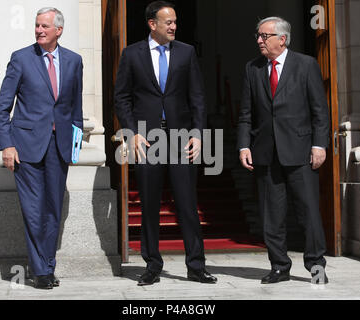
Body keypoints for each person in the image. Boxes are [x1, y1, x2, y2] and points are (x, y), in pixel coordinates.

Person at [114, 1, 216, 286]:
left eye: (174, 22)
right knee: (149, 204)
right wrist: (131, 132)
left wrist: (198, 133)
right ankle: (152, 266)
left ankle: (196, 266)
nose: (173, 26)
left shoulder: (186, 53)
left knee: (186, 203)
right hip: (147, 139)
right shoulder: (131, 54)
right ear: (152, 24)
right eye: (167, 22)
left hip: (182, 138)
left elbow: (197, 97)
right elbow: (121, 98)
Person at [0, 7, 83, 289]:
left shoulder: (74, 61)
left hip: (60, 147)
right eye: (36, 26)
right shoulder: (21, 58)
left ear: (59, 30)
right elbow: (3, 106)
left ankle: (46, 266)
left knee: (53, 210)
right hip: (26, 148)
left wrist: (76, 142)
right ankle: (41, 270)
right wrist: (6, 144)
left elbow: (75, 107)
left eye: (45, 26)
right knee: (34, 210)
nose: (39, 30)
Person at [237, 17, 330, 284]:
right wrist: (244, 145)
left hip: (301, 151)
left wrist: (318, 145)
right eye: (258, 36)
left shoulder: (306, 65)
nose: (259, 41)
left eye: (264, 36)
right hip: (266, 153)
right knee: (272, 216)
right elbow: (246, 113)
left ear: (282, 39)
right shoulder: (252, 68)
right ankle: (279, 267)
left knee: (309, 212)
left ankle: (316, 267)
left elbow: (319, 112)